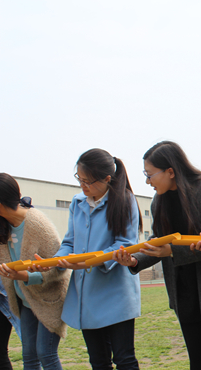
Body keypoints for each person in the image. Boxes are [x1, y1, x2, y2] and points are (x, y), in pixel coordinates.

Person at [114, 141, 201, 370]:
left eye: (150, 175)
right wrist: (135, 260)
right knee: (197, 359)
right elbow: (158, 243)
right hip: (183, 289)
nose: (148, 181)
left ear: (171, 171)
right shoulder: (159, 200)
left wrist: (172, 251)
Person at [50, 149, 143, 369]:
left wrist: (87, 261)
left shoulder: (124, 201)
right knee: (98, 361)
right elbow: (69, 242)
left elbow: (125, 244)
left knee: (124, 359)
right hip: (87, 294)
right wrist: (57, 260)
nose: (83, 186)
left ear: (107, 179)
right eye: (79, 180)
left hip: (117, 293)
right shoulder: (78, 203)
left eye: (88, 181)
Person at [0, 173, 70, 369]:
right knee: (29, 356)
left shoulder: (37, 224)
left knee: (45, 353)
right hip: (26, 301)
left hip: (49, 299)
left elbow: (60, 268)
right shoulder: (3, 226)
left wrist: (25, 276)